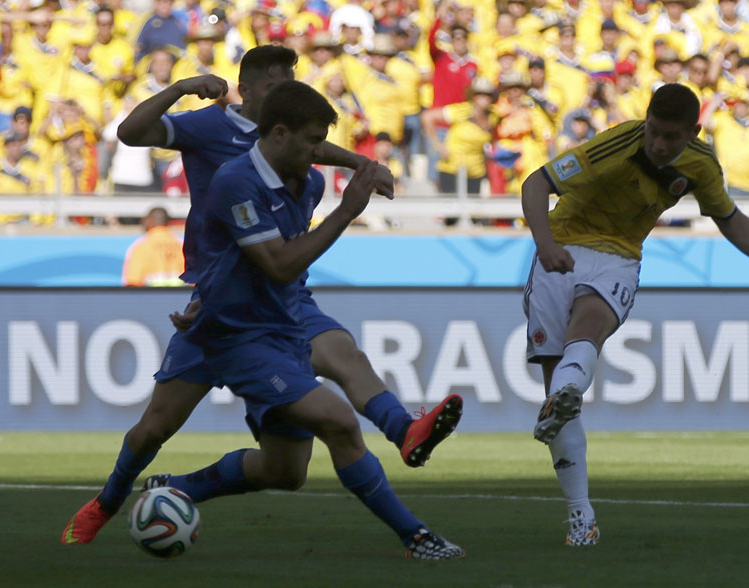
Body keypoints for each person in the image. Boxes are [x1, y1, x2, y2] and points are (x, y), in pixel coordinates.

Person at [61, 45, 462, 546]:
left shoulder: (304, 173)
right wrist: (182, 88)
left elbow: (311, 148)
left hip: (278, 303)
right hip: (220, 309)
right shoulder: (215, 133)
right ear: (246, 90)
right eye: (275, 85)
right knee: (152, 430)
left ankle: (403, 429)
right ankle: (107, 501)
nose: (285, 93)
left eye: (290, 83)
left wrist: (361, 163)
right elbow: (131, 133)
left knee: (296, 453)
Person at [520, 83, 749, 546]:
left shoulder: (700, 164)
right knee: (559, 390)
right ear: (647, 121)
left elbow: (730, 218)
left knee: (590, 327)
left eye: (671, 137)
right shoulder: (618, 142)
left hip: (618, 257)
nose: (660, 144)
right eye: (655, 132)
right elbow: (536, 182)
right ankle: (581, 510)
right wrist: (545, 243)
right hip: (560, 248)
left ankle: (565, 402)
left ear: (693, 132)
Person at [121, 207, 185, 287]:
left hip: (149, 297)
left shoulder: (140, 247)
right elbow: (194, 280)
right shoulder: (182, 246)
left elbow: (132, 282)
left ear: (148, 221)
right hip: (180, 297)